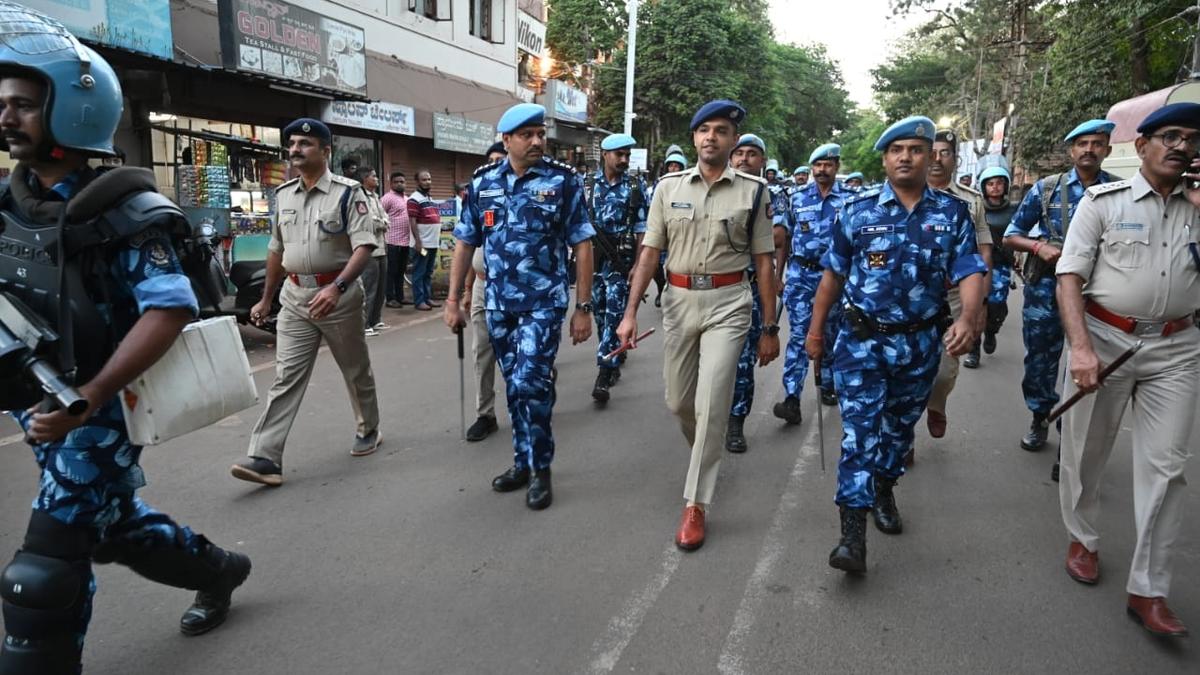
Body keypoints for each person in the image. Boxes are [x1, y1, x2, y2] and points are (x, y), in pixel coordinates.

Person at [0, 10, 249, 671]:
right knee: (115, 528)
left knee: (42, 573)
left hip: (97, 409)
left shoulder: (123, 211)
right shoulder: (14, 200)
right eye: (1, 104)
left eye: (23, 104)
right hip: (39, 401)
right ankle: (220, 569)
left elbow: (167, 309)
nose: (6, 117)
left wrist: (88, 395)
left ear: (72, 110)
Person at [806, 115, 987, 573]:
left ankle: (884, 487)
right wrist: (814, 332)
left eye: (916, 149)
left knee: (898, 432)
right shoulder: (858, 210)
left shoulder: (951, 214)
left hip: (920, 345)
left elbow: (969, 268)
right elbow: (833, 275)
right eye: (896, 150)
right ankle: (851, 536)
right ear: (885, 159)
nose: (905, 157)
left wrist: (969, 317)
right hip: (861, 344)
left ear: (931, 157)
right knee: (858, 436)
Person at [1055, 102, 1200, 638]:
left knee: (1167, 468)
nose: (1181, 146)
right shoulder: (1102, 203)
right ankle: (1082, 537)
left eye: (1190, 139)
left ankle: (1148, 587)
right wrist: (1081, 349)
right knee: (1087, 450)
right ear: (1141, 147)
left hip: (1177, 348)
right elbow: (1069, 275)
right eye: (1170, 136)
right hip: (1106, 339)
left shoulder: (1198, 205)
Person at [617, 100, 779, 551]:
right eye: (704, 129)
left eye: (722, 130)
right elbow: (649, 253)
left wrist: (770, 326)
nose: (712, 137)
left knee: (712, 400)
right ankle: (704, 452)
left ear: (734, 140)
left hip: (729, 303)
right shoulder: (667, 189)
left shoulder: (754, 191)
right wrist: (630, 313)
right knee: (677, 402)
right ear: (694, 138)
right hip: (678, 300)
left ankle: (696, 503)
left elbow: (764, 263)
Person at [443, 103, 595, 511]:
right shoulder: (482, 183)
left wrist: (583, 306)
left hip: (544, 303)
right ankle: (522, 462)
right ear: (506, 140)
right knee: (515, 387)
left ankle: (541, 467)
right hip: (498, 305)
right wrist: (453, 298)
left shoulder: (562, 182)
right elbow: (465, 241)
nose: (537, 141)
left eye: (540, 134)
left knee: (530, 382)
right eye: (526, 135)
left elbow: (582, 243)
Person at [231, 118, 382, 486]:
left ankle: (369, 427)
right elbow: (276, 250)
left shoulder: (349, 193)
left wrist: (338, 289)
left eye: (305, 144)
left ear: (326, 151)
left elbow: (365, 246)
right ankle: (264, 456)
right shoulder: (283, 195)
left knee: (354, 369)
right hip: (295, 297)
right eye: (293, 143)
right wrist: (266, 299)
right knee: (286, 377)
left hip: (339, 298)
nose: (295, 149)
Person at [1003, 119, 1117, 458]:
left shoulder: (1118, 191)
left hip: (1098, 291)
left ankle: (1070, 431)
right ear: (1071, 150)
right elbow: (1011, 235)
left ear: (1107, 150)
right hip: (1045, 291)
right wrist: (1038, 248)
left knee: (1086, 361)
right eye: (1082, 143)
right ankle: (1040, 415)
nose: (1089, 149)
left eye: (1097, 144)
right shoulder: (1047, 189)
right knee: (1040, 359)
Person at [923, 129, 992, 440]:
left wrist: (979, 307)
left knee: (944, 370)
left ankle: (937, 404)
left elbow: (983, 254)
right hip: (911, 294)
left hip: (953, 295)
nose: (937, 159)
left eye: (945, 153)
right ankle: (903, 435)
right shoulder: (905, 194)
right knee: (903, 371)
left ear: (955, 159)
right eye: (932, 152)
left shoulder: (970, 202)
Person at [772, 142, 847, 426]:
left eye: (828, 165)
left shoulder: (851, 200)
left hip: (836, 279)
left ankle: (828, 382)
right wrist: (778, 275)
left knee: (829, 333)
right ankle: (792, 397)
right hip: (802, 277)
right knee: (801, 335)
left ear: (836, 167)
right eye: (817, 165)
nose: (822, 170)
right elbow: (783, 239)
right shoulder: (795, 198)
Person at [725, 133, 779, 452]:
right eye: (739, 153)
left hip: (749, 288)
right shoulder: (715, 189)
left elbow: (772, 247)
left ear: (763, 162)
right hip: (714, 291)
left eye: (752, 154)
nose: (744, 159)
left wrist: (770, 324)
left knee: (743, 360)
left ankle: (735, 421)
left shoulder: (767, 196)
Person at [585, 133, 648, 403]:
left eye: (627, 155)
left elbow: (642, 230)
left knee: (613, 314)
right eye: (618, 155)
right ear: (605, 155)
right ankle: (614, 352)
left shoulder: (635, 187)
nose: (624, 160)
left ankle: (603, 370)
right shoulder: (586, 185)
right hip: (593, 261)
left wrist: (638, 264)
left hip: (620, 262)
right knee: (599, 313)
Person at [463, 141, 509, 442]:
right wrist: (465, 291)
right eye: (490, 161)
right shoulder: (480, 194)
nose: (495, 165)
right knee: (482, 351)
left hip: (515, 289)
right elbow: (469, 246)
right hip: (482, 284)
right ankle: (485, 414)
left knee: (515, 354)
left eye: (500, 160)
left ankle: (533, 395)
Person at [978, 166, 1017, 358]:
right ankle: (973, 350)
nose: (995, 187)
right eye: (990, 184)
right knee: (974, 304)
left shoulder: (1014, 209)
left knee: (996, 303)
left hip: (1001, 264)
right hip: (977, 264)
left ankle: (991, 332)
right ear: (983, 187)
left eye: (1000, 183)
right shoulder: (976, 207)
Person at [648, 147, 689, 308]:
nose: (673, 168)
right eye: (670, 165)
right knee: (656, 267)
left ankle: (675, 294)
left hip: (679, 232)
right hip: (660, 231)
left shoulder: (689, 184)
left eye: (676, 166)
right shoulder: (660, 184)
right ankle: (661, 288)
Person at [359, 168, 389, 336]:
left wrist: (383, 222)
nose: (377, 179)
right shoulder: (360, 197)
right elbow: (368, 220)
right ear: (365, 178)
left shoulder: (376, 196)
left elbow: (385, 217)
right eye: (374, 176)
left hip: (381, 246)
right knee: (369, 287)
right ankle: (364, 324)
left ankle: (376, 319)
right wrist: (383, 223)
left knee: (380, 287)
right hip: (369, 248)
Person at [408, 169, 442, 311]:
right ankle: (419, 301)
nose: (427, 182)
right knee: (419, 272)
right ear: (417, 182)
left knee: (428, 272)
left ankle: (427, 298)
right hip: (422, 245)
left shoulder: (430, 198)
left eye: (429, 179)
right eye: (424, 179)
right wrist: (418, 241)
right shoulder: (414, 199)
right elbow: (412, 221)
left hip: (432, 243)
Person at [381, 171, 412, 307]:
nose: (400, 184)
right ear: (391, 183)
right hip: (392, 241)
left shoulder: (407, 198)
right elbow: (380, 216)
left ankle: (400, 297)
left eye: (402, 182)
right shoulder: (387, 198)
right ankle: (390, 298)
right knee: (391, 271)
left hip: (405, 241)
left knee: (401, 270)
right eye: (397, 182)